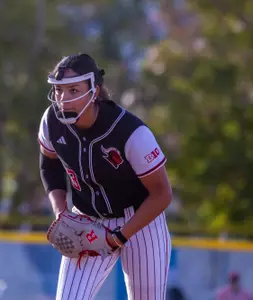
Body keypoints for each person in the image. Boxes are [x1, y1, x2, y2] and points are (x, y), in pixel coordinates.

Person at [38, 53, 172, 300]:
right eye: (59, 91)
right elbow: (49, 165)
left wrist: (119, 236)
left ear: (94, 91)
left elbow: (162, 194)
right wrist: (61, 214)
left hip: (140, 218)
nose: (63, 99)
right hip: (87, 217)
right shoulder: (51, 122)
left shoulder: (131, 132)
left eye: (73, 90)